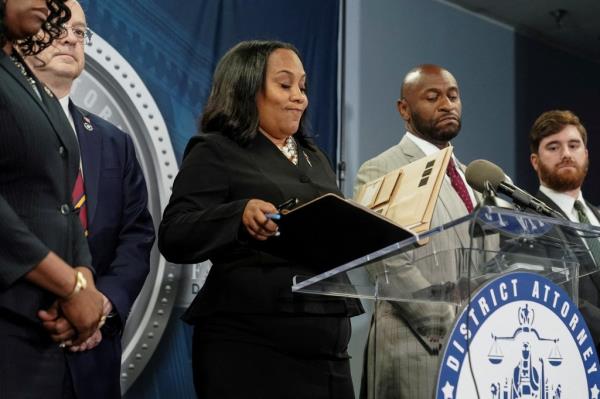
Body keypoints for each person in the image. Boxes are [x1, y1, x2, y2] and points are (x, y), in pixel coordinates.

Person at [159, 40, 363, 399]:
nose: (299, 97)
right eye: (285, 85)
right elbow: (176, 233)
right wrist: (237, 215)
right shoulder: (216, 150)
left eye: (302, 86)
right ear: (246, 89)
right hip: (250, 350)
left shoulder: (316, 158)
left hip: (328, 353)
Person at [23, 1, 156, 397]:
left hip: (93, 356)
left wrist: (100, 307)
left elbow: (136, 238)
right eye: (57, 25)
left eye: (79, 32)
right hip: (20, 339)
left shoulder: (114, 142)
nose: (69, 37)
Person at [354, 64, 479, 399]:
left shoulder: (474, 180)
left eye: (453, 96)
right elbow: (387, 258)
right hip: (416, 345)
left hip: (475, 348)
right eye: (433, 96)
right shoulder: (384, 168)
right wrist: (443, 319)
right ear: (404, 109)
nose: (447, 104)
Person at [0, 1, 104, 398]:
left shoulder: (23, 76)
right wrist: (71, 288)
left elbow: (62, 201)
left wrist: (83, 282)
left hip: (42, 327)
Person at [529, 109, 600, 349]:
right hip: (577, 361)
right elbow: (556, 296)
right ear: (535, 161)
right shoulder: (526, 223)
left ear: (586, 154)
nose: (566, 154)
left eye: (573, 145)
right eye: (553, 147)